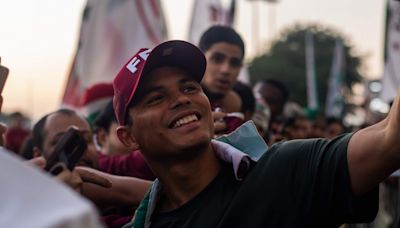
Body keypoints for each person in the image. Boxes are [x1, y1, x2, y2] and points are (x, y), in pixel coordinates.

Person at [113, 40, 400, 228]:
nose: (181, 99)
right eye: (155, 98)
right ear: (129, 137)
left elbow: (390, 139)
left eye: (190, 88)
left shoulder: (284, 170)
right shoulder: (140, 224)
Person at [198, 25, 245, 134]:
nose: (226, 70)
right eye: (217, 59)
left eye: (234, 63)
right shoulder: (178, 99)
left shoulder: (234, 104)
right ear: (201, 58)